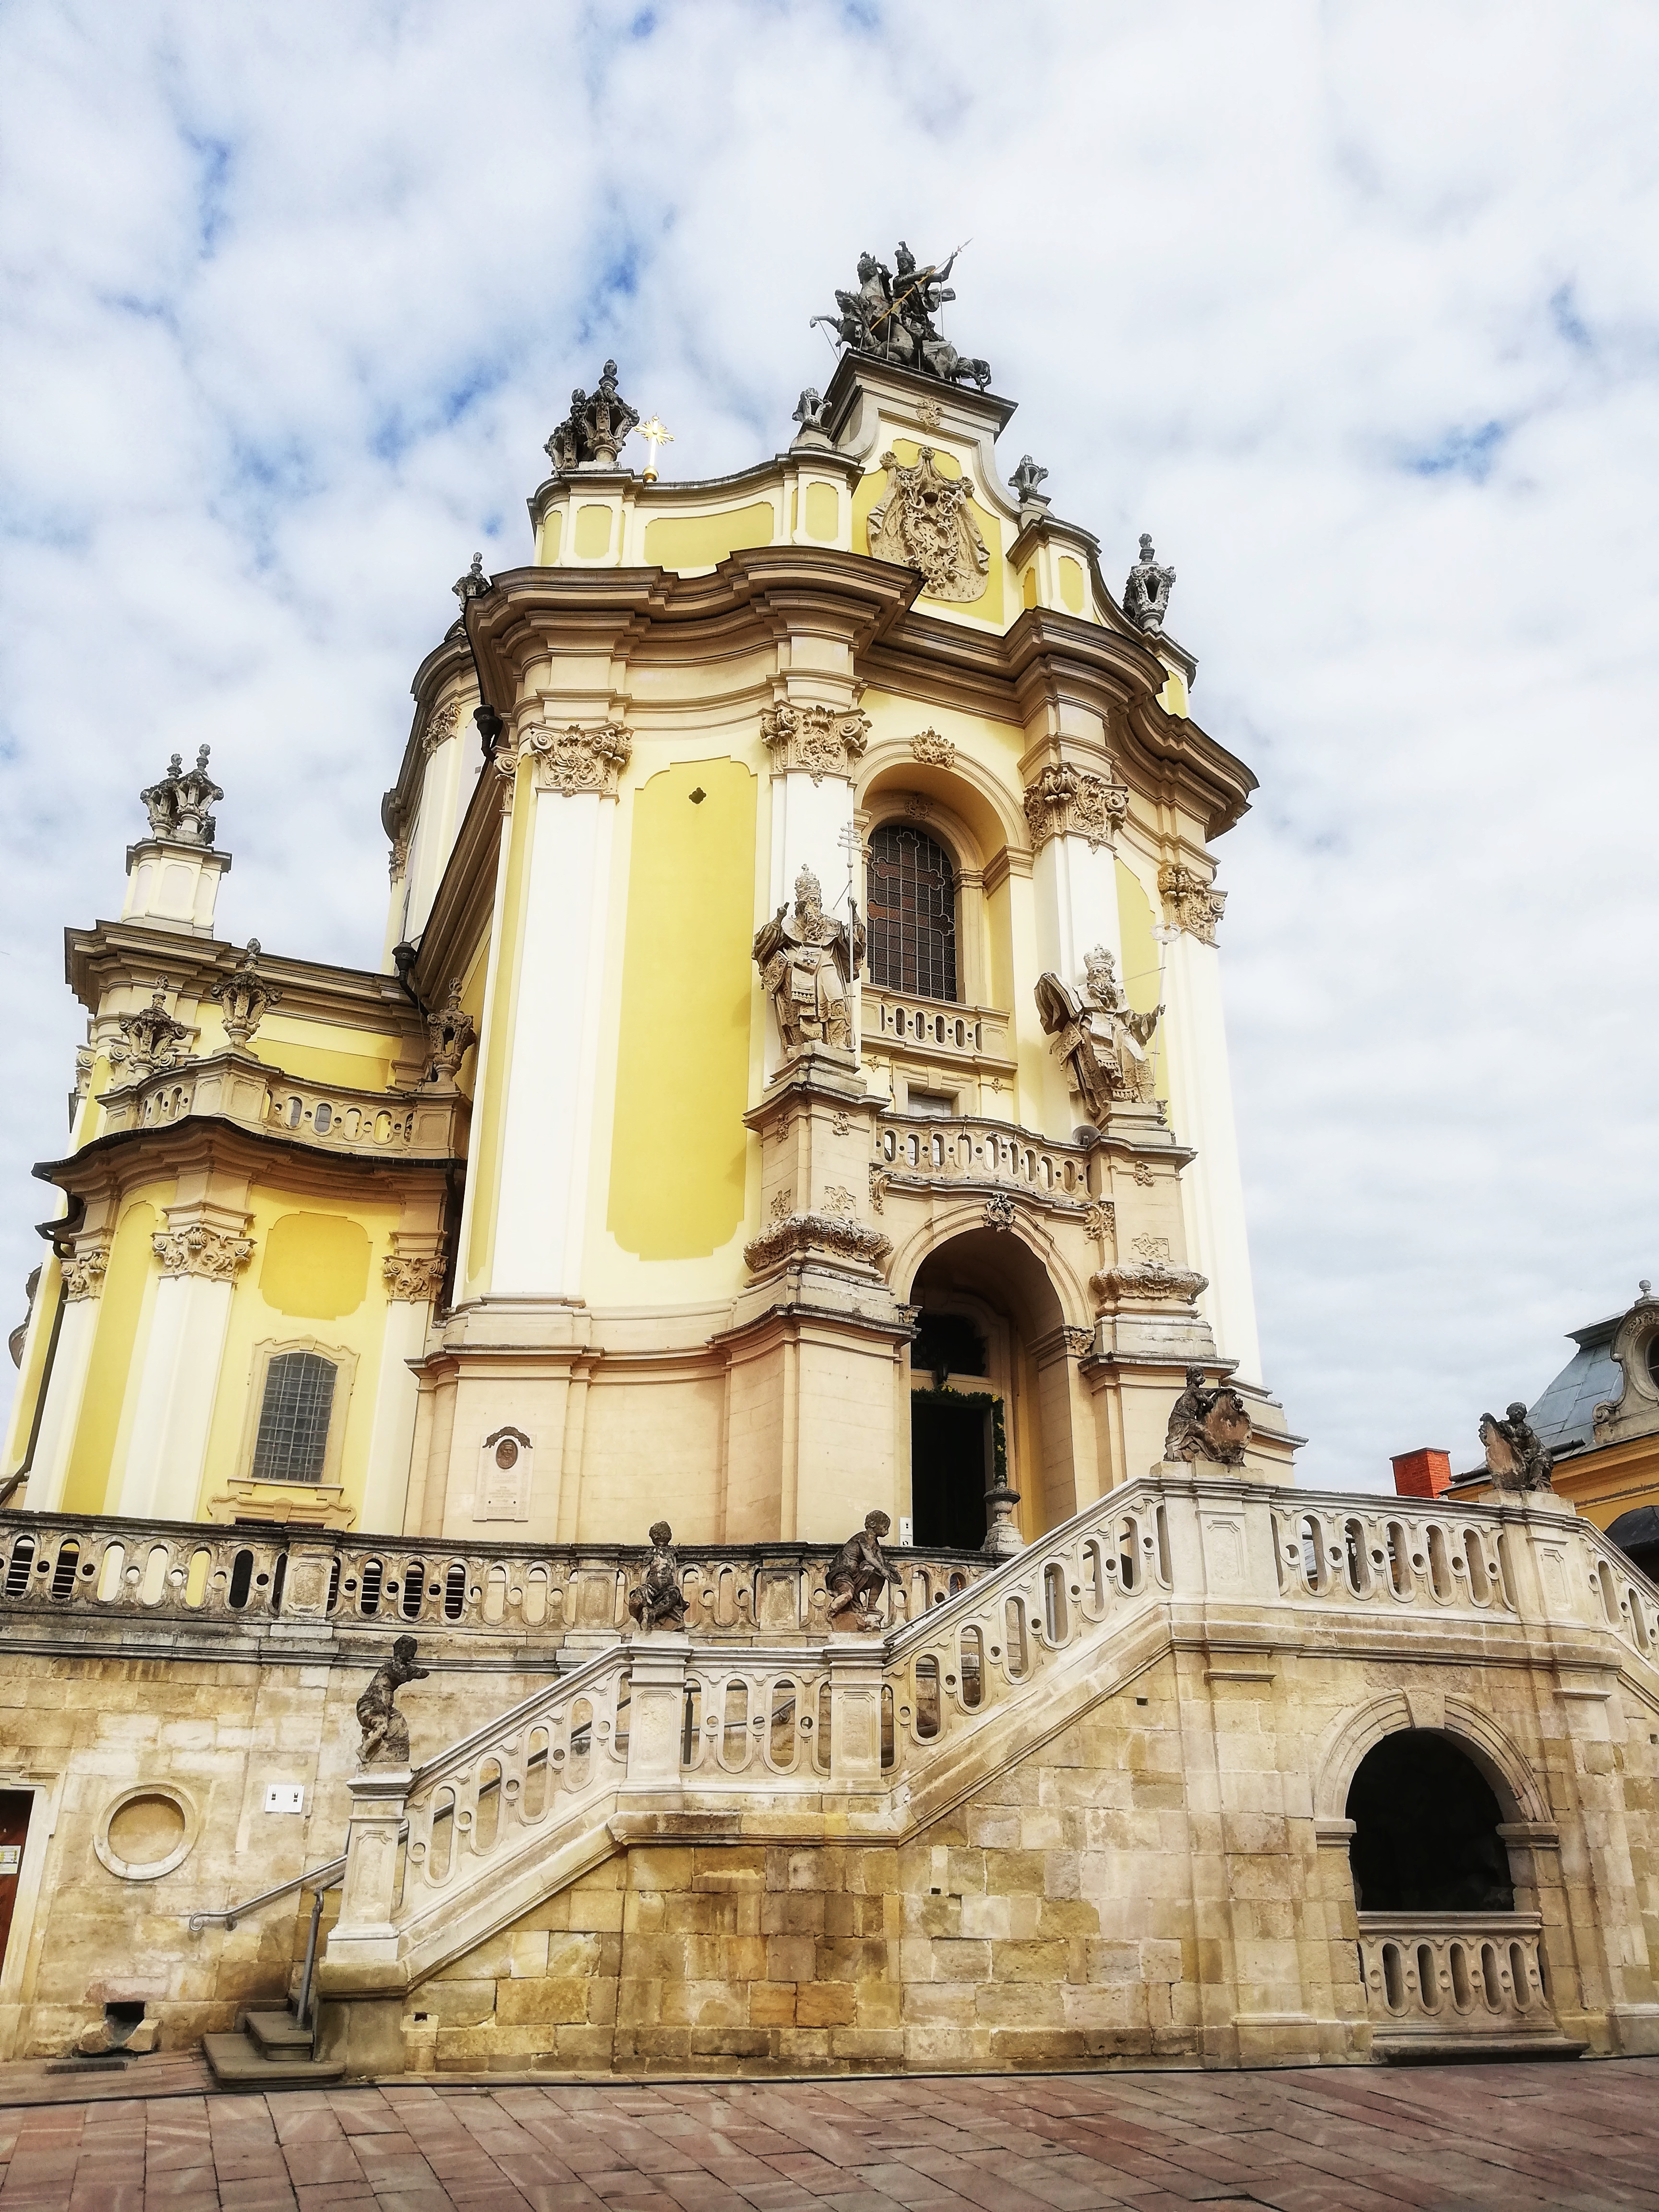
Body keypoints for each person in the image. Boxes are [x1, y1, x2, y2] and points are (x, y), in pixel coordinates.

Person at [826, 1511, 902, 1630]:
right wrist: (884, 1570)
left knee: (878, 1577)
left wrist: (893, 1573)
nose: (887, 1531)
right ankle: (830, 1612)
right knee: (847, 1595)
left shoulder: (875, 1543)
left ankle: (871, 1606)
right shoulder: (862, 1537)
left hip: (855, 1575)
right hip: (842, 1574)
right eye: (885, 1527)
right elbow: (870, 1558)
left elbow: (882, 1563)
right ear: (874, 1525)